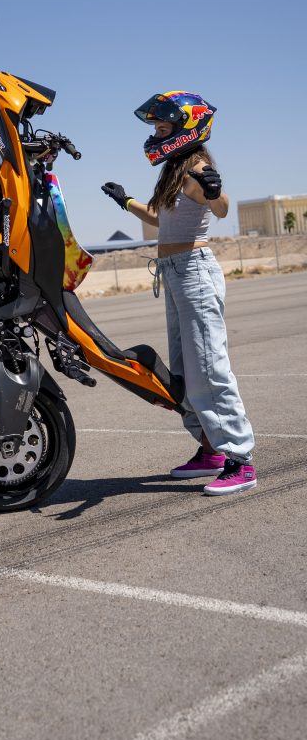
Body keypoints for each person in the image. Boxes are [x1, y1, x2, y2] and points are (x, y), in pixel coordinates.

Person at [102, 91, 257, 496]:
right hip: (174, 273)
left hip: (194, 272)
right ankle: (210, 449)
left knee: (209, 366)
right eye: (156, 128)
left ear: (186, 128)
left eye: (162, 128)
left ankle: (240, 460)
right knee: (185, 369)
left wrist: (215, 190)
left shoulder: (198, 168)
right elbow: (159, 219)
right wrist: (126, 201)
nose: (156, 134)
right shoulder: (175, 170)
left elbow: (221, 207)